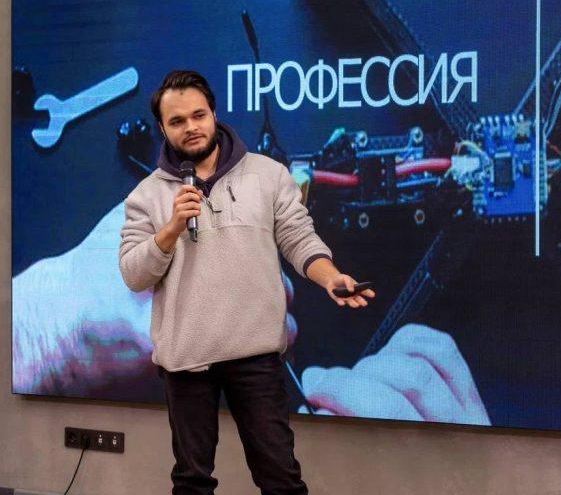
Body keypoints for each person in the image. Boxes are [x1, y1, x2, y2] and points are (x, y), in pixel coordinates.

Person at [118, 70, 375, 494]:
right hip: (187, 361)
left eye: (198, 115)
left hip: (255, 354)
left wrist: (330, 277)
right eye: (177, 121)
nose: (191, 127)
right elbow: (133, 273)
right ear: (162, 128)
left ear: (214, 113)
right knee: (191, 482)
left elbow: (298, 237)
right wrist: (170, 229)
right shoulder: (145, 196)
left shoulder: (267, 175)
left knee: (280, 479)